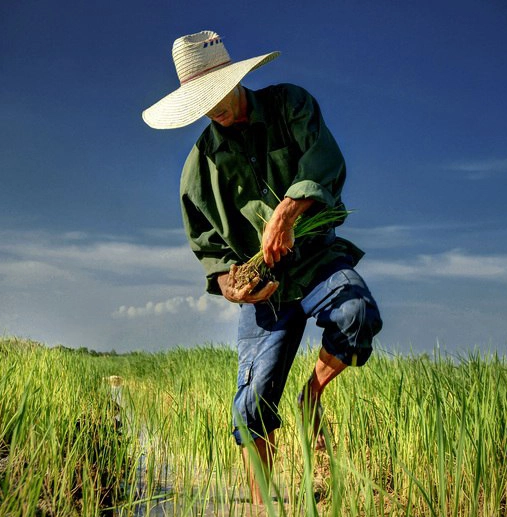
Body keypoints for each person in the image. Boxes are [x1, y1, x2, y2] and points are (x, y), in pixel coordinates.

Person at [142, 30, 382, 504]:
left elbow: (326, 162)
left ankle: (311, 396)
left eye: (218, 95)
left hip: (315, 257)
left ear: (237, 78)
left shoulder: (291, 105)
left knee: (357, 316)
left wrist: (287, 212)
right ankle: (262, 507)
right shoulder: (198, 169)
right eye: (202, 104)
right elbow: (211, 253)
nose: (215, 110)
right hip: (265, 291)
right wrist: (234, 287)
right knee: (250, 409)